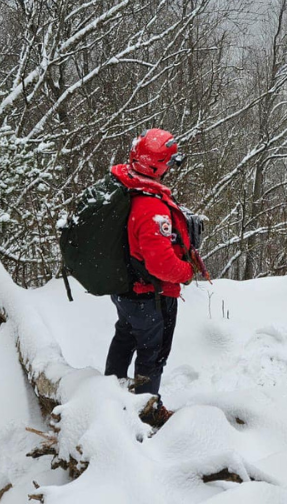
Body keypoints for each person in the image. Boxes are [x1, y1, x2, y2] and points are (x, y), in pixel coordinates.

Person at [103, 128, 202, 428]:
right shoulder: (151, 208)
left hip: (127, 290)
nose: (171, 168)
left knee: (125, 337)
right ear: (156, 166)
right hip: (149, 295)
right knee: (152, 353)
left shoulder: (127, 188)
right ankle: (145, 411)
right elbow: (160, 264)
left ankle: (110, 397)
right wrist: (186, 272)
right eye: (168, 162)